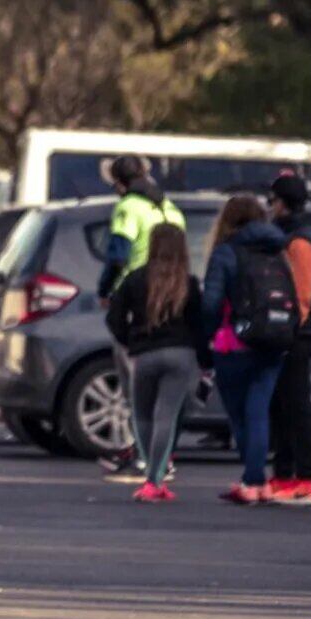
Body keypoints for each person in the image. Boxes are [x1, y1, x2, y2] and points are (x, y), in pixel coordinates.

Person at [105, 224, 211, 503]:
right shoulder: (188, 283)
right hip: (181, 354)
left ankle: (148, 470)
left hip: (145, 354)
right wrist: (205, 361)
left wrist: (130, 341)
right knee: (167, 416)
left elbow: (113, 318)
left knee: (141, 414)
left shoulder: (135, 279)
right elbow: (200, 327)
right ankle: (155, 479)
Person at [97, 155, 185, 480]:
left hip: (135, 297)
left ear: (119, 183)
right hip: (170, 296)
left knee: (135, 384)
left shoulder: (128, 207)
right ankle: (161, 457)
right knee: (162, 389)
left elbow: (118, 255)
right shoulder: (171, 209)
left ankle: (143, 459)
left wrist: (105, 289)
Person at [201, 195, 290, 505]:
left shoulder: (226, 252)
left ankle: (252, 480)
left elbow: (211, 302)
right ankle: (258, 480)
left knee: (240, 416)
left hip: (233, 343)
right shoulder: (277, 250)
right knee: (259, 412)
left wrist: (207, 335)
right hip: (273, 341)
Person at [267, 173, 311, 506]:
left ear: (283, 203)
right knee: (281, 406)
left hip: (297, 335)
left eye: (273, 201)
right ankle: (283, 474)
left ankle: (303, 478)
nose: (270, 207)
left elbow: (302, 296)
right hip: (290, 332)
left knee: (296, 406)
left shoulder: (300, 241)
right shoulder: (293, 234)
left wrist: (288, 334)